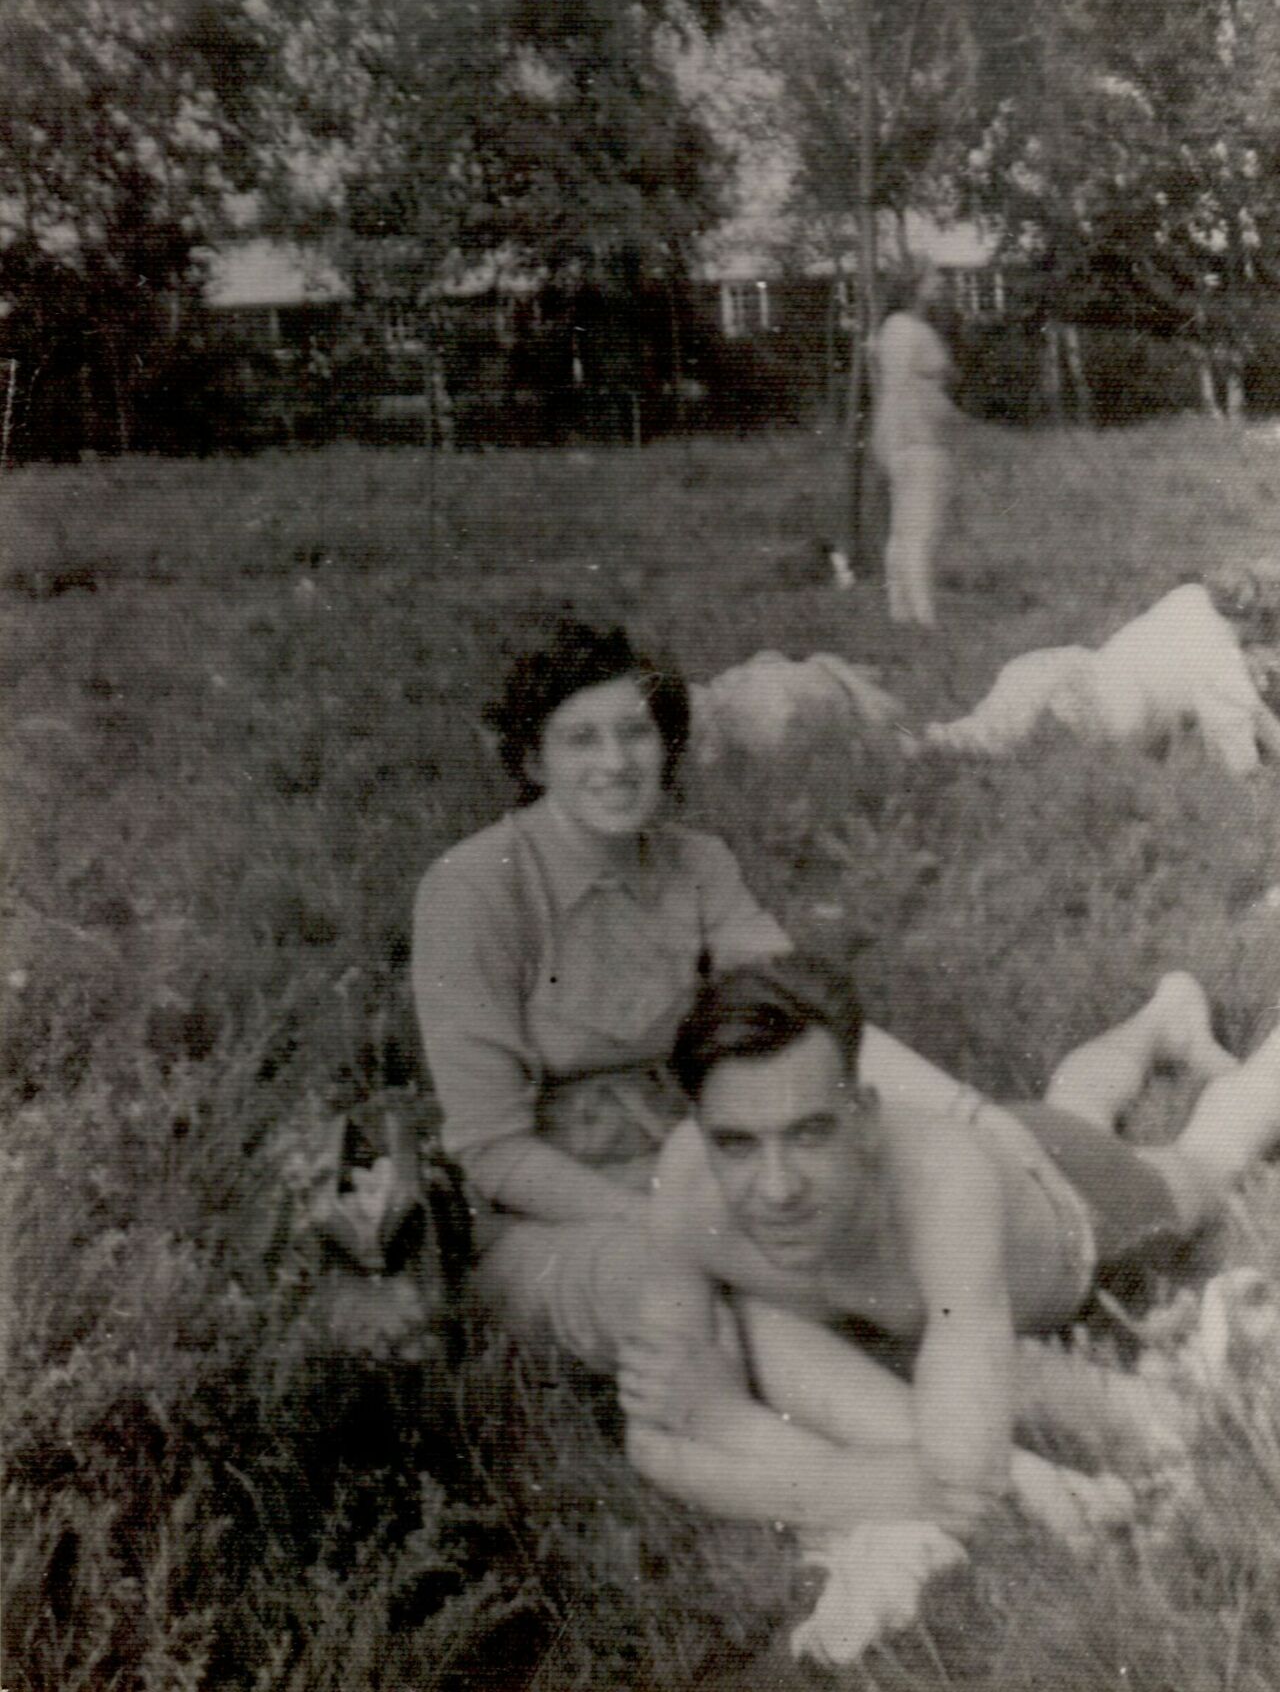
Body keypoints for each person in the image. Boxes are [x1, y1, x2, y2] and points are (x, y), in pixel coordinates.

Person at [411, 614, 969, 1371]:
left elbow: (795, 1010)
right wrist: (674, 1226)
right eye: (581, 740)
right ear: (534, 760)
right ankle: (963, 1411)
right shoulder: (474, 891)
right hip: (550, 1217)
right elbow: (493, 1149)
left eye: (636, 733)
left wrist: (966, 1117)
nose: (616, 763)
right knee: (694, 1300)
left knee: (897, 1216)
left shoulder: (696, 863)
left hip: (705, 1162)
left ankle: (967, 1375)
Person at [622, 953, 1267, 1559]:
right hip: (970, 1212)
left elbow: (964, 1482)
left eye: (810, 1133)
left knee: (1206, 1163)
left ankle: (1173, 1028)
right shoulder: (685, 1184)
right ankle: (1162, 1018)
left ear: (866, 1117)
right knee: (1076, 1106)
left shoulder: (944, 1185)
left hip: (1071, 1203)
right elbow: (656, 1438)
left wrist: (725, 1421)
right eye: (736, 1144)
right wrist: (704, 1425)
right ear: (702, 1133)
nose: (777, 1188)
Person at [871, 265, 958, 629]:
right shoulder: (917, 332)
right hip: (923, 436)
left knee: (901, 528)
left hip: (893, 437)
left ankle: (900, 610)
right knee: (923, 529)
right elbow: (921, 387)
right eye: (932, 282)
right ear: (913, 289)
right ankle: (926, 615)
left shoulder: (888, 330)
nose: (941, 288)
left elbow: (891, 386)